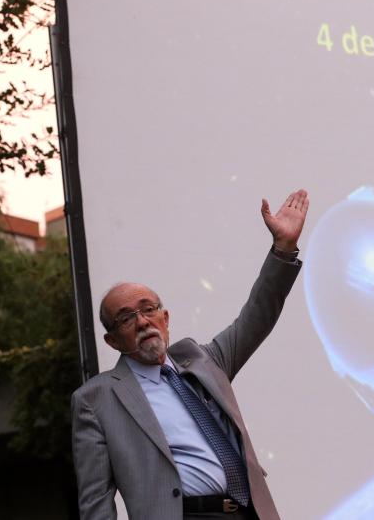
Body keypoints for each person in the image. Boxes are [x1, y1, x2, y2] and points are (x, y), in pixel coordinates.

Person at [71, 190, 309, 520]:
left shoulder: (204, 360)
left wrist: (283, 250)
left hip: (248, 512)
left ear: (165, 319)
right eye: (126, 317)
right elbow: (95, 499)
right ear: (112, 340)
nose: (142, 321)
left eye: (148, 309)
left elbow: (257, 316)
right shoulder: (97, 399)